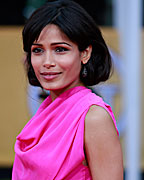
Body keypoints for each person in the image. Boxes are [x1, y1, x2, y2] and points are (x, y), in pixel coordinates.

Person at [12, 0, 123, 179]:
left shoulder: (93, 118)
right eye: (38, 50)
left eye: (60, 49)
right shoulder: (46, 112)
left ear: (85, 53)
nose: (47, 62)